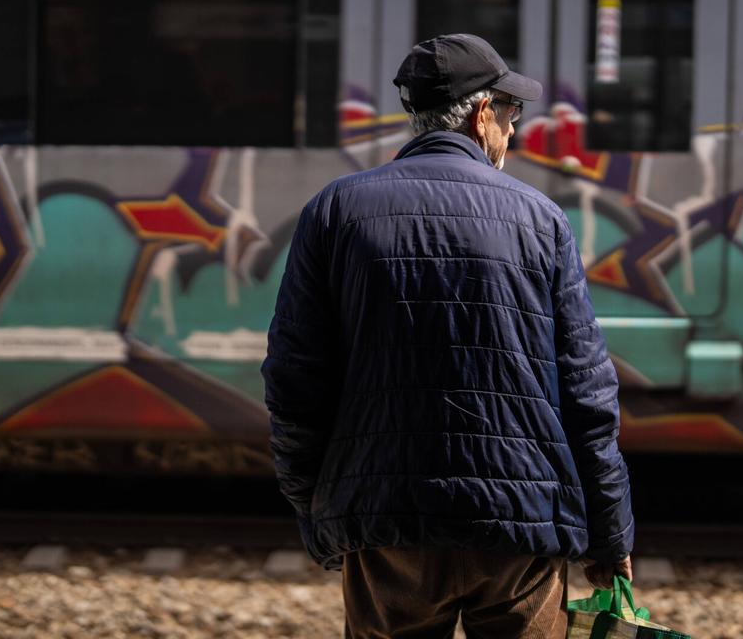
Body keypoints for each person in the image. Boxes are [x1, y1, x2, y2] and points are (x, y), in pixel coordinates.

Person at [261, 34, 634, 639]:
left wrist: (320, 511)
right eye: (511, 116)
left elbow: (294, 382)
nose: (511, 133)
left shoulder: (334, 212)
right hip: (522, 532)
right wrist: (609, 532)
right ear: (484, 114)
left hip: (388, 526)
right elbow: (588, 395)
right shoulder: (540, 219)